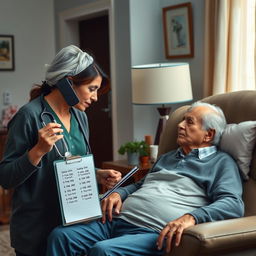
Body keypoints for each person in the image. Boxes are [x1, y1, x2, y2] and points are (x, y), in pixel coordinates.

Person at [46, 102, 244, 256]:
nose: (180, 125)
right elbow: (142, 185)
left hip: (150, 232)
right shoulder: (169, 157)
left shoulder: (221, 163)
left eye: (189, 122)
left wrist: (191, 217)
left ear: (208, 134)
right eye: (182, 120)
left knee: (103, 251)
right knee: (60, 236)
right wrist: (119, 193)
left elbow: (233, 203)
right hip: (114, 220)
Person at [0, 45, 122, 256]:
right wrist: (38, 150)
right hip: (36, 227)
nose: (95, 97)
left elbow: (68, 166)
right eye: (91, 89)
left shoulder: (80, 117)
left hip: (73, 225)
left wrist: (97, 175)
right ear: (67, 82)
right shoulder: (29, 116)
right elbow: (6, 178)